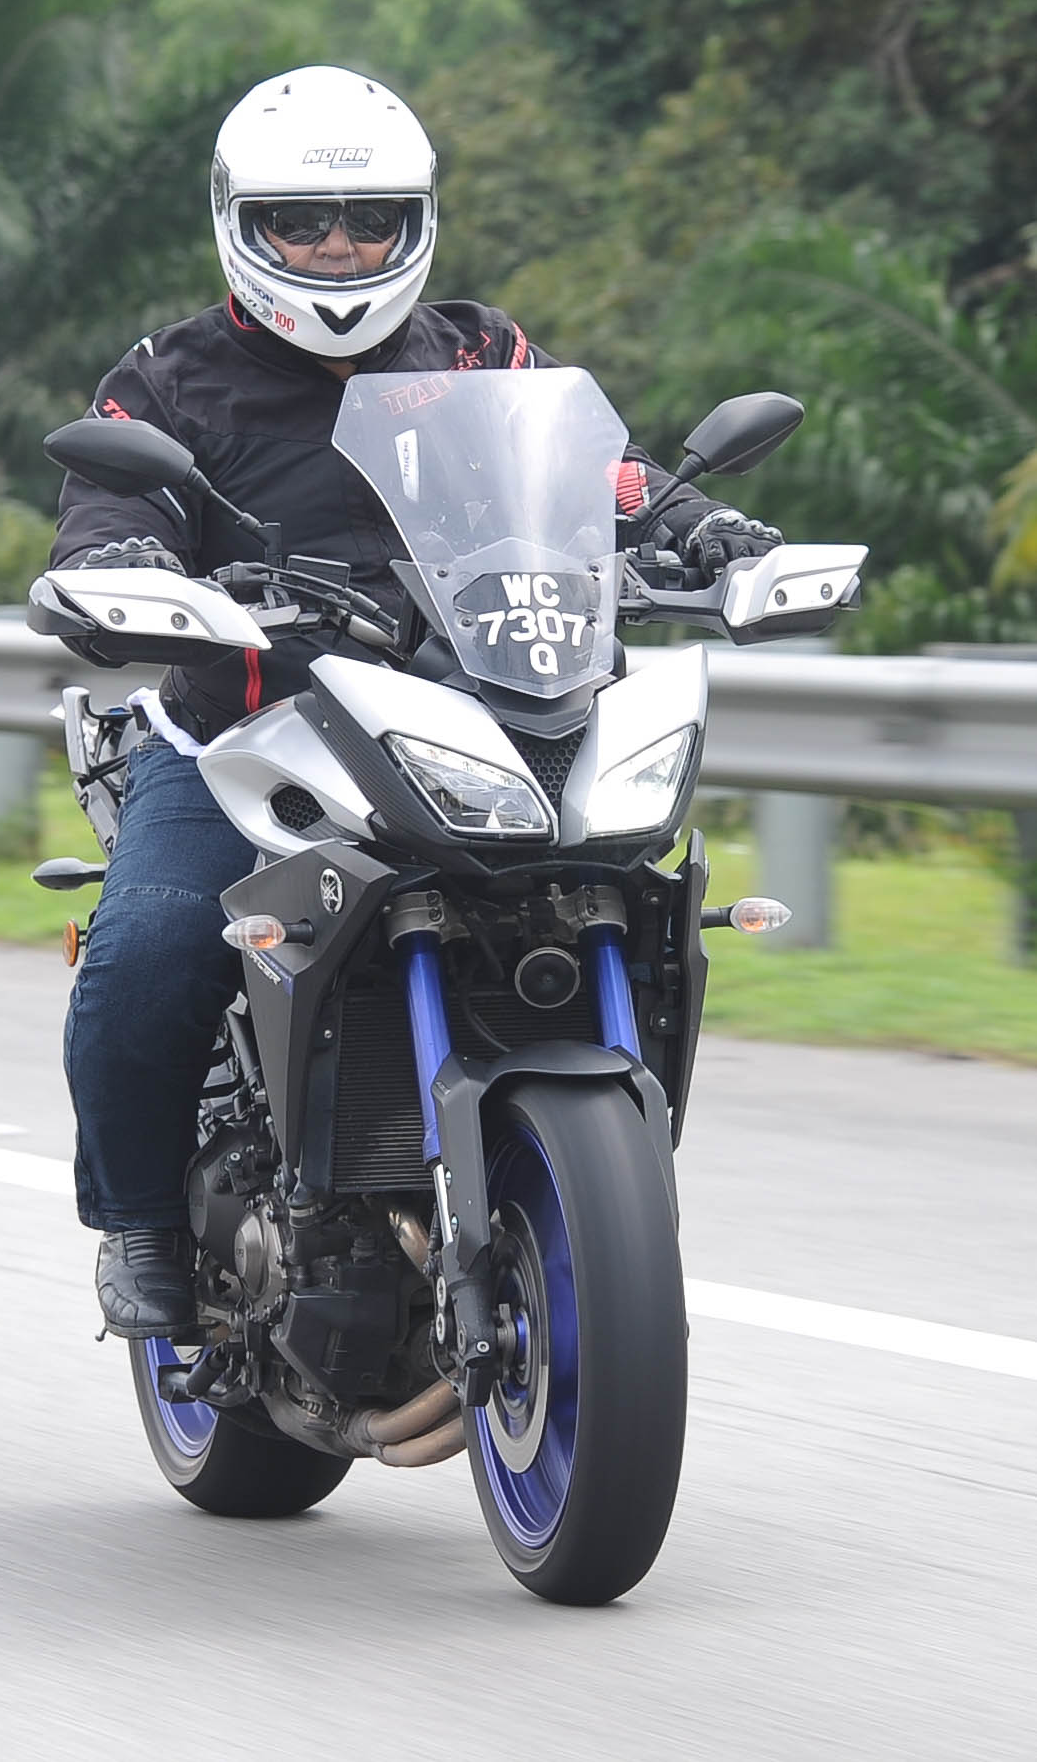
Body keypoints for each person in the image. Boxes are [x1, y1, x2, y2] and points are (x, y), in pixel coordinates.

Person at [56, 67, 781, 1337]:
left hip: (472, 715)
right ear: (239, 223)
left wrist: (695, 523)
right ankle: (140, 1223)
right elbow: (116, 503)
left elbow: (603, 473)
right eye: (300, 222)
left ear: (416, 221)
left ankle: (576, 1206)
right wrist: (122, 562)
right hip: (251, 736)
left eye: (369, 219)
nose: (337, 247)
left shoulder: (479, 351)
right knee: (150, 947)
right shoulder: (168, 378)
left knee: (637, 887)